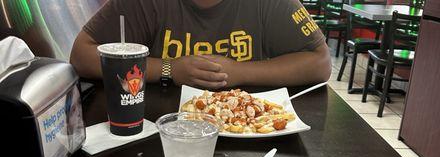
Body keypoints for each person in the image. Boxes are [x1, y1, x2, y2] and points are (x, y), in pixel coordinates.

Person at [71, 0, 331, 89]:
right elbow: (82, 55)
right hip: (156, 140)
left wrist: (239, 72)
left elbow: (320, 62)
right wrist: (169, 69)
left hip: (256, 136)